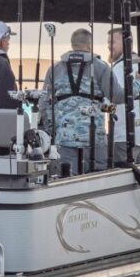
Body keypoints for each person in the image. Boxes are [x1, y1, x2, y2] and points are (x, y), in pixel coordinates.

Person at [40, 28, 112, 173]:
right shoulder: (101, 67)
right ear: (90, 45)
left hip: (64, 138)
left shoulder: (54, 69)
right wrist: (139, 83)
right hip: (94, 138)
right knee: (97, 177)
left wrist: (51, 130)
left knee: (66, 177)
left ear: (72, 45)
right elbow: (118, 96)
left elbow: (43, 104)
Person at [107, 26, 140, 162]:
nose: (109, 47)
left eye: (112, 42)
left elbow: (111, 101)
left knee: (121, 173)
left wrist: (102, 110)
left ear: (126, 42)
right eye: (108, 43)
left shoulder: (118, 69)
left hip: (123, 136)